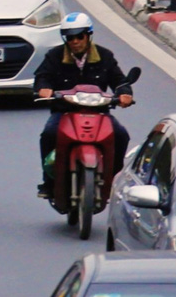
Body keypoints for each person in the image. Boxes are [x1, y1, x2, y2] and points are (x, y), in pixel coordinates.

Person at [30, 13, 135, 188]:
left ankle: (115, 177)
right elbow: (42, 77)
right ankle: (49, 181)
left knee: (121, 135)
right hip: (64, 112)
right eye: (70, 37)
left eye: (80, 36)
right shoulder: (54, 56)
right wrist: (43, 89)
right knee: (48, 135)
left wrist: (125, 93)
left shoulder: (105, 56)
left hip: (99, 112)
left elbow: (119, 80)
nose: (75, 41)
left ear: (88, 35)